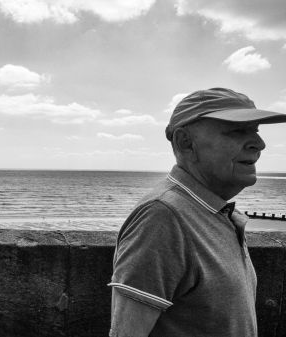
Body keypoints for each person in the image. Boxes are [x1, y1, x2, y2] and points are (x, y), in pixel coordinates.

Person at [109, 87, 286, 336]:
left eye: (255, 130)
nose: (260, 143)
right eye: (238, 131)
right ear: (186, 142)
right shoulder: (163, 217)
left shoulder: (211, 211)